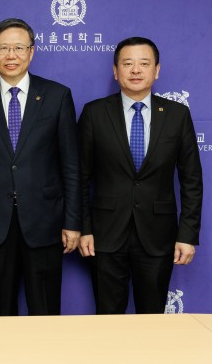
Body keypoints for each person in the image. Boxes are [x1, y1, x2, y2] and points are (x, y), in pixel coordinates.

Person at [0, 18, 81, 316]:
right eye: (3, 48)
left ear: (32, 52)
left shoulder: (57, 96)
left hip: (45, 222)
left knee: (45, 311)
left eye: (18, 47)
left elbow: (70, 165)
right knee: (1, 312)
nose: (11, 55)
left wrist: (72, 221)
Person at [78, 37, 202, 314]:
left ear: (156, 70)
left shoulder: (177, 115)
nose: (136, 70)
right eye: (128, 63)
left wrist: (187, 234)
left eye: (144, 63)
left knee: (152, 319)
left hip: (158, 235)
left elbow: (192, 180)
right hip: (105, 235)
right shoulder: (94, 113)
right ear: (115, 71)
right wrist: (84, 228)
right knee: (108, 319)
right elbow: (80, 178)